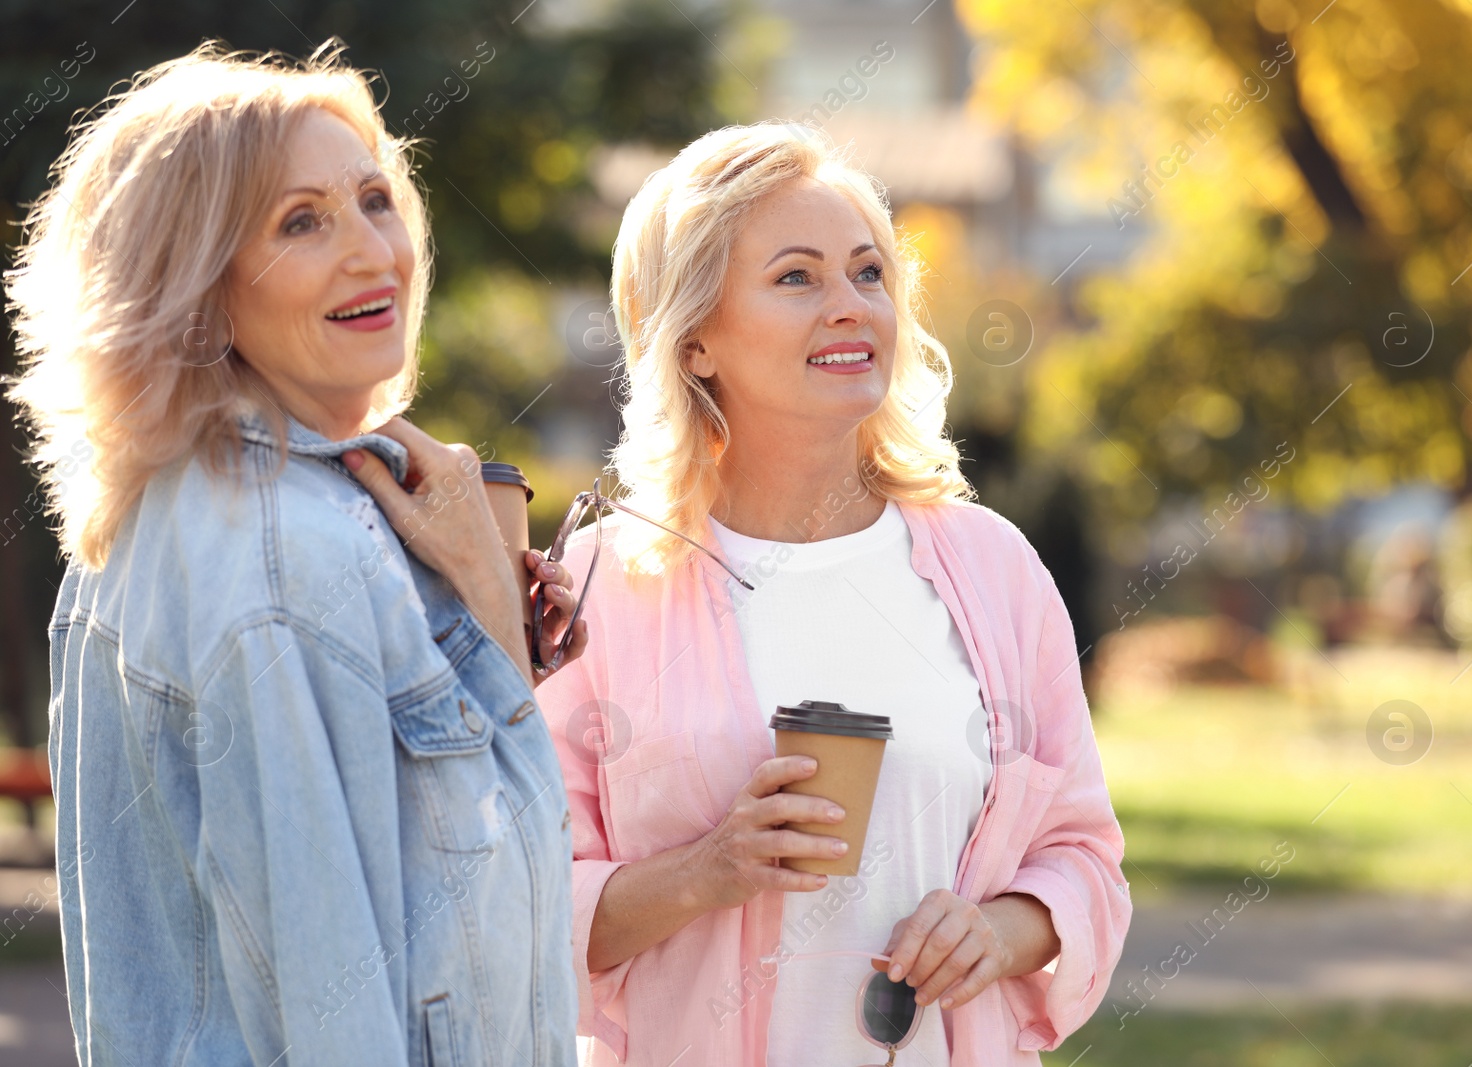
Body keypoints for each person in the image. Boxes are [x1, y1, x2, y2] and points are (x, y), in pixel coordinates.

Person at [5, 41, 586, 1064]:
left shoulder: (197, 509)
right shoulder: (285, 559)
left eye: (373, 198)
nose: (375, 251)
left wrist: (485, 607)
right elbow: (336, 1001)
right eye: (299, 222)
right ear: (193, 281)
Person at [533, 123, 1132, 1066]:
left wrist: (998, 931)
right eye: (797, 278)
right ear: (694, 342)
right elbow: (517, 907)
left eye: (869, 273)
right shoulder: (599, 590)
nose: (850, 306)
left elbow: (1085, 861)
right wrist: (704, 872)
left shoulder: (993, 569)